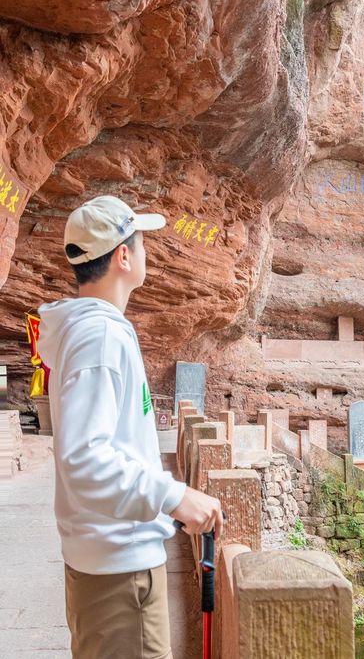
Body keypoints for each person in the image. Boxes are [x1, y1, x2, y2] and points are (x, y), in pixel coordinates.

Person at [38, 195, 224, 659]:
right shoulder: (100, 337)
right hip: (120, 574)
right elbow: (85, 458)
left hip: (110, 563)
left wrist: (165, 506)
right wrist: (174, 496)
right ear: (123, 255)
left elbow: (112, 446)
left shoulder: (92, 331)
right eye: (141, 243)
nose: (146, 254)